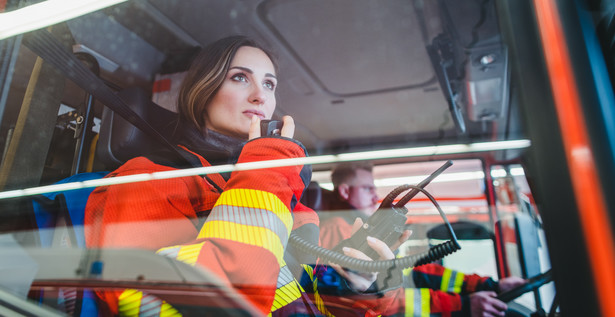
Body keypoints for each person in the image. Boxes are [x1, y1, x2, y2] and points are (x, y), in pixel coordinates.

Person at [84, 36, 398, 316]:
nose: (261, 96)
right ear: (203, 91)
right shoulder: (144, 182)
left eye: (269, 84)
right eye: (239, 78)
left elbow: (297, 302)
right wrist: (264, 169)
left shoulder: (276, 193)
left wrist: (359, 288)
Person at [317, 161, 527, 317]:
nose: (375, 196)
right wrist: (461, 306)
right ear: (345, 191)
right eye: (367, 188)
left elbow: (410, 272)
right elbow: (378, 295)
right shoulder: (339, 231)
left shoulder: (367, 230)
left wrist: (487, 285)